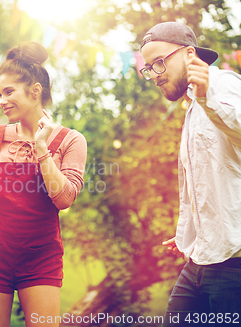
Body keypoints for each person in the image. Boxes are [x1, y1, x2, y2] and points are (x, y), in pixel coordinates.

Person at [0, 41, 87, 327]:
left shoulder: (70, 140)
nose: (1, 101)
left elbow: (64, 199)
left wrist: (41, 148)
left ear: (35, 91)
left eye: (8, 92)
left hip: (41, 257)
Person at [140, 22, 241, 325]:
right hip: (199, 260)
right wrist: (194, 229)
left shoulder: (222, 83)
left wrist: (209, 96)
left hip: (233, 265)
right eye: (148, 68)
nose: (155, 75)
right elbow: (217, 173)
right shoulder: (193, 105)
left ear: (188, 54)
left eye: (159, 62)